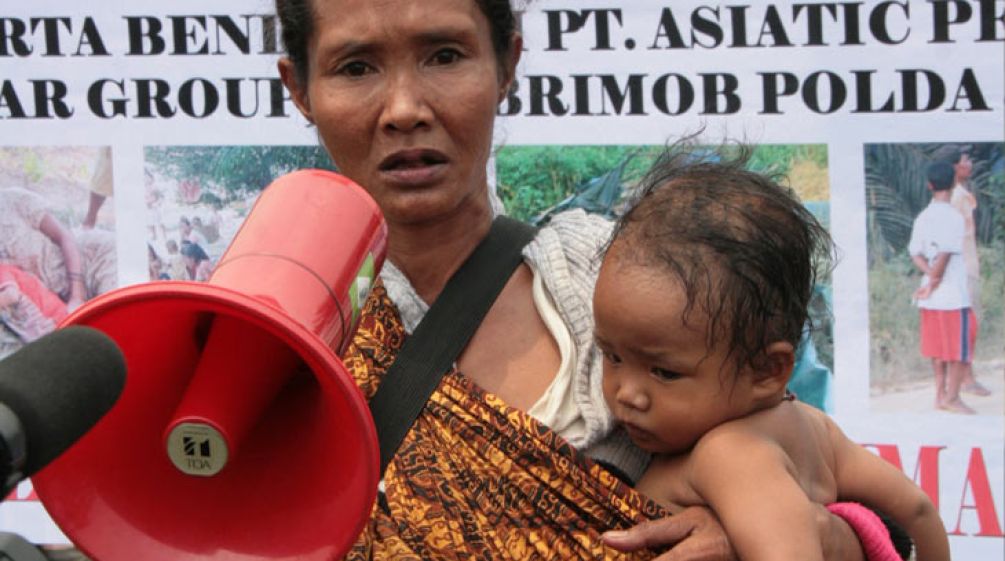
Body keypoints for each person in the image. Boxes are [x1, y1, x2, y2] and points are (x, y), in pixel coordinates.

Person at [275, 0, 893, 558]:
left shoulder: (642, 283)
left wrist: (793, 535)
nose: (405, 109)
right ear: (299, 88)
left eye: (445, 55)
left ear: (507, 63)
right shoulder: (262, 340)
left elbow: (878, 519)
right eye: (355, 67)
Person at [594, 147, 948, 561]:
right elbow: (918, 511)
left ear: (767, 370)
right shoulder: (817, 429)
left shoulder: (729, 454)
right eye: (612, 356)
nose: (627, 393)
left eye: (664, 372)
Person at [908, 162, 977, 415]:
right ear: (952, 183)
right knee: (959, 349)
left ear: (929, 185)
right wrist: (935, 281)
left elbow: (915, 253)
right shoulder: (953, 217)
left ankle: (940, 395)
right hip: (951, 296)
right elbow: (946, 255)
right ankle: (952, 397)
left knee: (937, 348)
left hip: (931, 296)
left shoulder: (923, 217)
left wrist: (928, 279)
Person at [0, 187, 116, 312]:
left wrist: (77, 296)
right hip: (58, 299)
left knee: (117, 314)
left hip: (92, 259)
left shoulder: (12, 200)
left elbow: (64, 237)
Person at [935, 147, 990, 397]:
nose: (970, 162)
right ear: (956, 168)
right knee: (967, 325)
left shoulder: (955, 196)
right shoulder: (957, 197)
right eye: (965, 159)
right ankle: (966, 379)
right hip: (962, 270)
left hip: (960, 269)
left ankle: (957, 381)